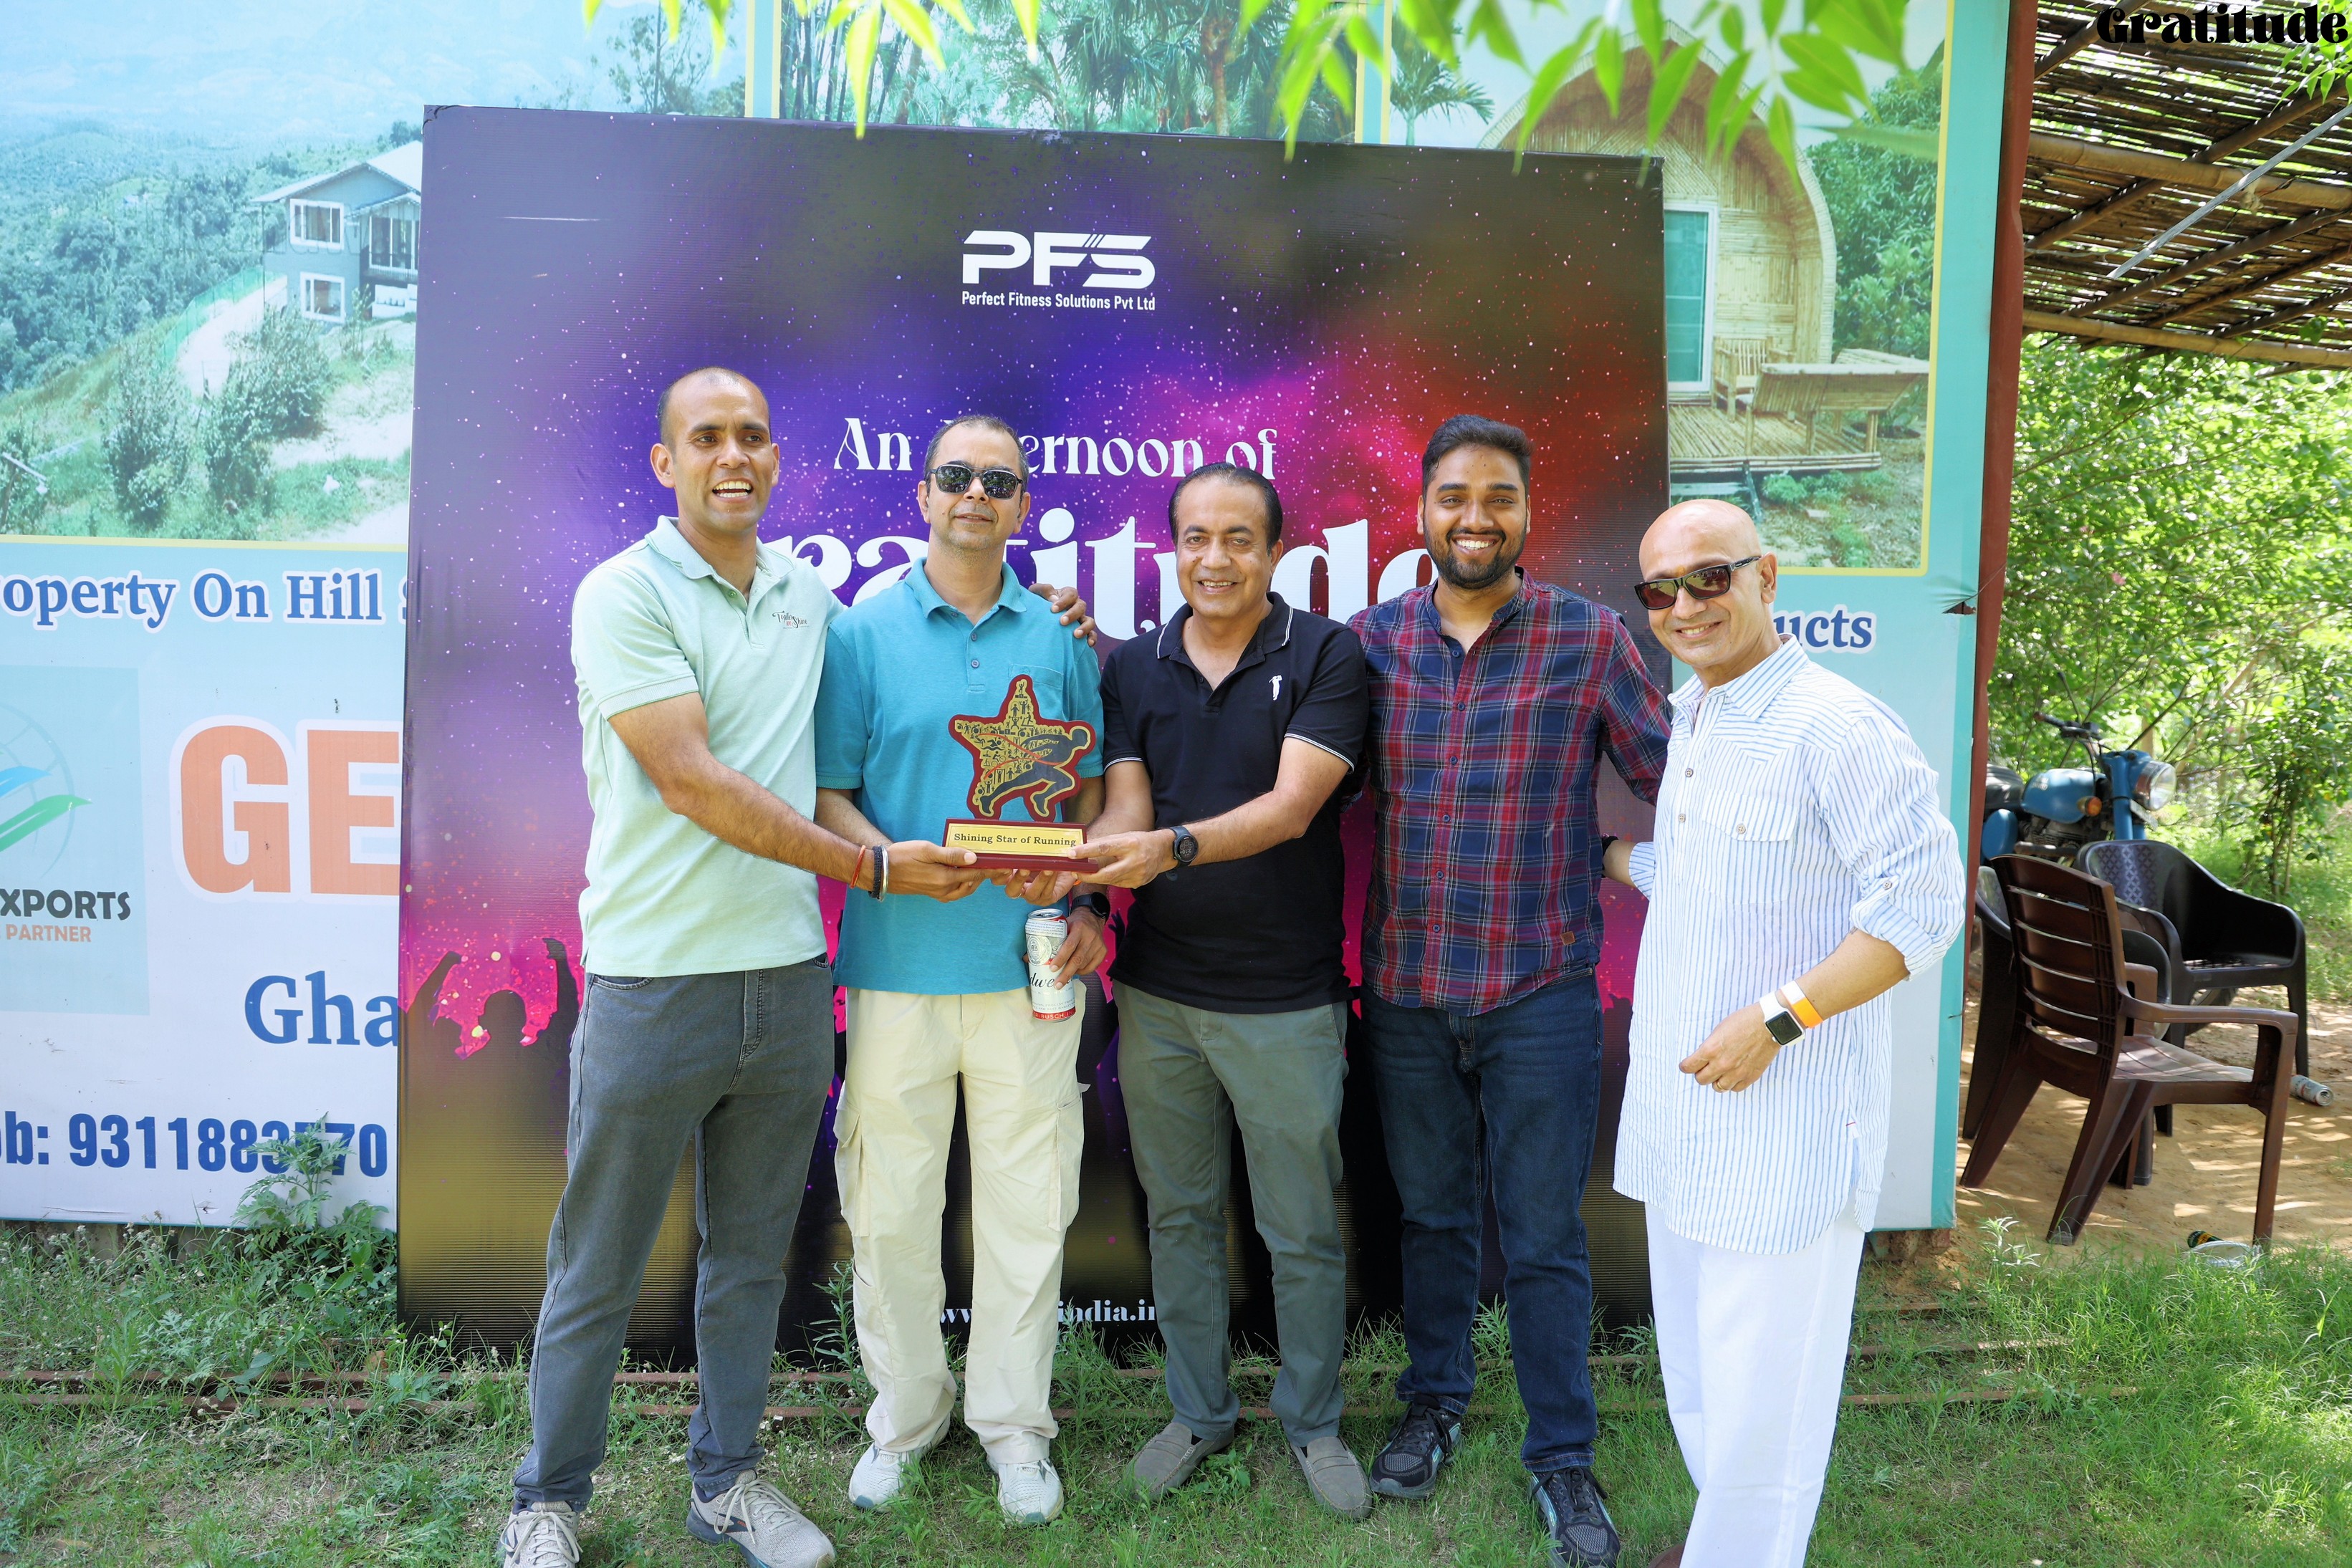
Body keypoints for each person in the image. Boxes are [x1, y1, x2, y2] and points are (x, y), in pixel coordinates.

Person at [501, 370, 1090, 1568]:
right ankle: (549, 1498)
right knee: (609, 1257)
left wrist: (1060, 623)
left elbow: (1049, 750)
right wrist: (873, 869)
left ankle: (741, 1481)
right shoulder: (640, 595)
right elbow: (702, 779)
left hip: (790, 976)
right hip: (671, 973)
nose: (733, 456)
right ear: (667, 462)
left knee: (756, 1257)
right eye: (707, 437)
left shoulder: (809, 600)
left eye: (753, 438)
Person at [1603, 500, 1963, 1568]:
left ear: (1766, 576)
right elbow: (1725, 874)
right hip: (1685, 1117)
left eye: (1708, 578)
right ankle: (1727, 1546)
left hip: (1786, 1130)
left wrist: (1779, 1018)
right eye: (1660, 589)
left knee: (1769, 1393)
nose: (1684, 605)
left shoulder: (1838, 726)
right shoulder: (1697, 713)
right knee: (1703, 1370)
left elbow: (1921, 909)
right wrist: (1612, 859)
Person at [1350, 415, 1670, 1568]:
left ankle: (1562, 1453)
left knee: (1542, 1234)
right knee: (1431, 1218)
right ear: (1421, 511)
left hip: (1541, 989)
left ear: (1530, 511)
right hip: (1408, 986)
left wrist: (1616, 856)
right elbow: (1291, 779)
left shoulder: (1590, 638)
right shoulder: (1370, 642)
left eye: (1498, 497)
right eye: (1453, 496)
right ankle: (1433, 1405)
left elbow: (1680, 777)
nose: (1474, 517)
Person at [813, 413, 1110, 1528]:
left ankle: (1015, 1426)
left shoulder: (1061, 635)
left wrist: (1083, 892)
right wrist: (888, 865)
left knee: (1030, 1205)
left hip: (1030, 968)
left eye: (998, 479)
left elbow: (1090, 795)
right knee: (890, 1208)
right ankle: (903, 1417)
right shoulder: (860, 633)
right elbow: (827, 793)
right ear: (923, 496)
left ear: (1023, 504)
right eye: (955, 476)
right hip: (896, 969)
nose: (975, 493)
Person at [1077, 463, 1373, 1519]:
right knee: (1182, 1218)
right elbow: (1126, 809)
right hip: (1159, 995)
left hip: (1287, 1001)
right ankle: (1198, 1413)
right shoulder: (1133, 666)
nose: (1215, 558)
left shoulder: (1327, 653)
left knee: (1302, 1228)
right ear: (1172, 549)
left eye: (1239, 538)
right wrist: (1068, 867)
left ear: (1277, 551)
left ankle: (1315, 1422)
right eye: (1196, 538)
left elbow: (1293, 808)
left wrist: (1170, 847)